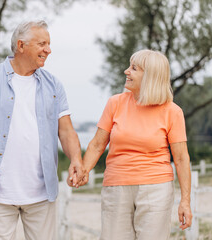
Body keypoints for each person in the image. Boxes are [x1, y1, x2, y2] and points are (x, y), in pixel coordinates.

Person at [0, 20, 85, 240]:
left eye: (49, 44)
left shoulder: (54, 86)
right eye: (42, 44)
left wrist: (76, 159)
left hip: (42, 193)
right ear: (21, 46)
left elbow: (66, 131)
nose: (48, 50)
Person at [80, 49, 192, 239]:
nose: (126, 71)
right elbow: (97, 145)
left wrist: (185, 202)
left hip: (156, 189)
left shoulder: (172, 111)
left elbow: (181, 158)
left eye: (134, 68)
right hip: (116, 188)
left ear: (150, 76)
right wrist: (83, 170)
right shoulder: (114, 103)